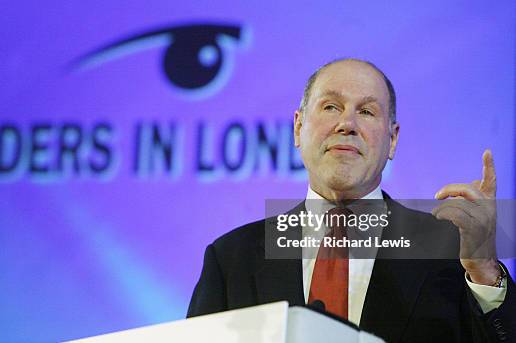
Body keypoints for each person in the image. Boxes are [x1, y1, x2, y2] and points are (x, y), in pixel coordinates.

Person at [187, 58, 514, 342]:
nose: (347, 124)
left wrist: (484, 270)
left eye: (367, 111)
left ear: (393, 139)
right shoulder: (231, 259)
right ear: (298, 128)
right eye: (330, 107)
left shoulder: (451, 250)